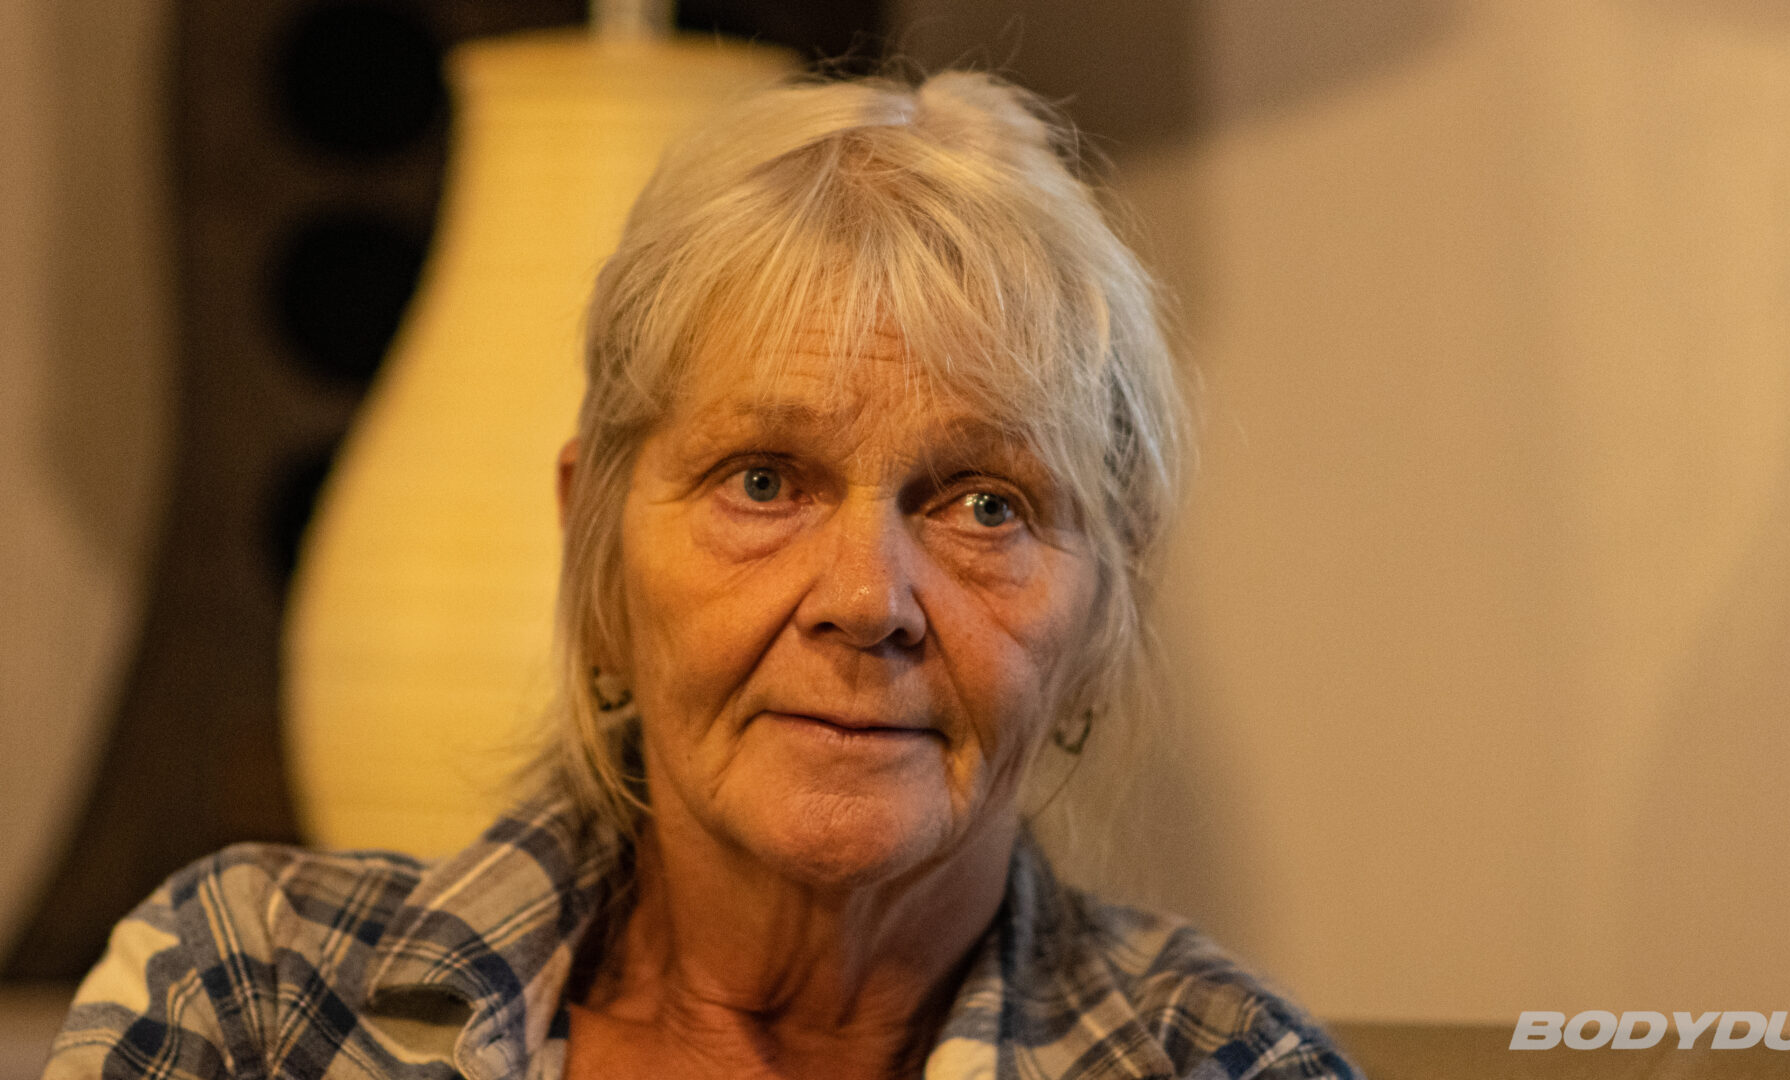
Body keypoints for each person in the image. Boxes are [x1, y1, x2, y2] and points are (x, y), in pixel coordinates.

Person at [43, 70, 1359, 1080]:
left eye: (984, 504)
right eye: (765, 481)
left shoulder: (1224, 1061)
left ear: (1101, 606)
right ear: (597, 548)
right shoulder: (254, 997)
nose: (868, 602)